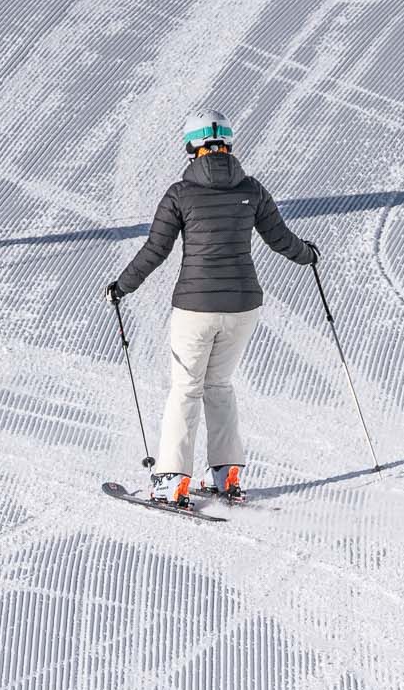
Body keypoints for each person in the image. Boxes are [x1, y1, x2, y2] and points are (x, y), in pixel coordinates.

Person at [108, 110, 318, 504]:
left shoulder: (180, 194)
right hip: (243, 306)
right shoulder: (252, 189)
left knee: (186, 389)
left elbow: (156, 250)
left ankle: (172, 479)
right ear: (228, 145)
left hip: (196, 307)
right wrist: (308, 255)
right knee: (219, 385)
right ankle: (225, 474)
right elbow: (281, 240)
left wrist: (122, 286)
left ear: (192, 147)